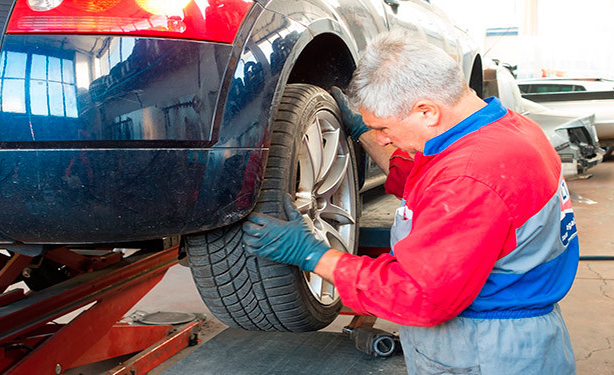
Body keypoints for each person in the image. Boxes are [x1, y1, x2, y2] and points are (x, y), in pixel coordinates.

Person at [241, 32, 578, 374]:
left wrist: (314, 255)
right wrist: (366, 132)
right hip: (508, 334)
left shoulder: (471, 176)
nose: (384, 138)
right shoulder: (507, 129)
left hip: (486, 351)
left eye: (385, 127)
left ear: (427, 110)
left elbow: (420, 294)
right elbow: (427, 181)